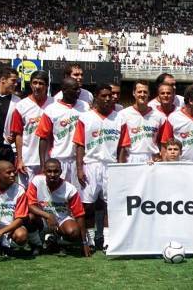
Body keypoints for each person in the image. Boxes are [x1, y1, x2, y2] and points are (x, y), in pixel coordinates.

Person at [73, 84, 125, 250]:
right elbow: (80, 145)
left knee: (111, 204)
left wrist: (121, 168)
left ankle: (107, 239)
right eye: (104, 95)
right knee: (88, 204)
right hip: (91, 164)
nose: (108, 98)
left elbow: (123, 146)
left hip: (111, 165)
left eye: (110, 95)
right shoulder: (85, 118)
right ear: (96, 97)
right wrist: (80, 168)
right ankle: (89, 238)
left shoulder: (120, 118)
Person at [26, 158, 91, 257]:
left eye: (56, 171)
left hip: (61, 221)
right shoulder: (36, 181)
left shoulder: (70, 189)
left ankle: (56, 242)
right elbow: (30, 205)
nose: (52, 174)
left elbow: (79, 215)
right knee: (29, 217)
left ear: (61, 172)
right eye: (49, 171)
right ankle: (37, 245)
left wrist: (84, 243)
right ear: (44, 171)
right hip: (42, 219)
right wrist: (48, 216)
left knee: (74, 231)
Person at [35, 77, 90, 186]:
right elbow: (43, 137)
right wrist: (42, 164)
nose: (78, 91)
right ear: (64, 90)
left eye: (79, 88)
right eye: (75, 89)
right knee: (59, 194)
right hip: (59, 159)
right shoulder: (51, 109)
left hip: (80, 160)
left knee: (79, 195)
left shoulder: (85, 106)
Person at [11, 70, 54, 188]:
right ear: (30, 84)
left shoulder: (54, 104)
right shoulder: (21, 106)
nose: (37, 86)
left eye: (41, 83)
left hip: (50, 160)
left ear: (47, 86)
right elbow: (18, 134)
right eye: (35, 83)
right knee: (27, 194)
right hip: (28, 159)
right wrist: (20, 159)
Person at [119, 80, 166, 163]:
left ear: (149, 94)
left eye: (145, 92)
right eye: (139, 92)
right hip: (131, 157)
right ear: (134, 93)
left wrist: (162, 158)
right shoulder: (123, 114)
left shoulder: (159, 116)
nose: (142, 94)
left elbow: (163, 141)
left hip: (152, 158)